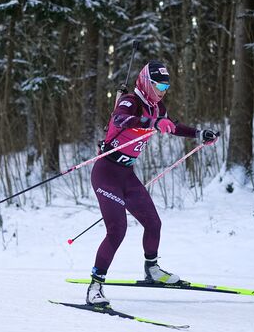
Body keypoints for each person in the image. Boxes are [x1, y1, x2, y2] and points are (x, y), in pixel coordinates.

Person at [86, 60, 219, 306]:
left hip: (126, 174)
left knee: (153, 223)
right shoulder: (131, 101)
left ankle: (152, 270)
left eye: (167, 85)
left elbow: (173, 126)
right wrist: (153, 123)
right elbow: (120, 120)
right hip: (106, 173)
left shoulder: (157, 107)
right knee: (117, 230)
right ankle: (95, 287)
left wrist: (199, 134)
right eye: (159, 84)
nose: (163, 90)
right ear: (147, 82)